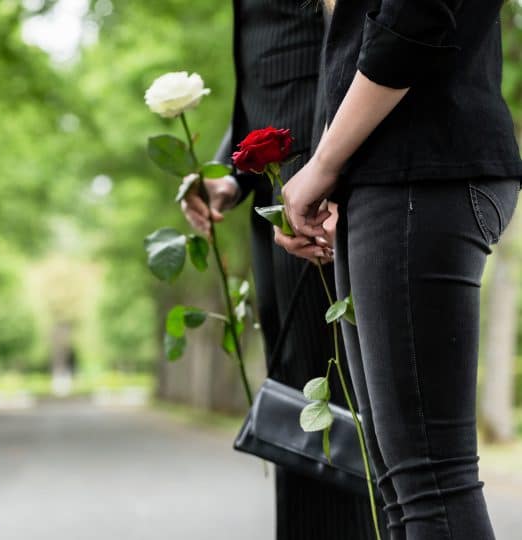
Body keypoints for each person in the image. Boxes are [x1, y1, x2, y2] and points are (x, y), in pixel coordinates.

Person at [276, 1, 522, 539]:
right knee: (399, 486)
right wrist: (333, 175)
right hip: (392, 174)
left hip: (418, 169)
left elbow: (416, 14)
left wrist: (324, 165)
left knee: (429, 483)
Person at [181, 1, 384, 538]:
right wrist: (232, 173)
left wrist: (333, 177)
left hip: (322, 197)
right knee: (304, 416)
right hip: (280, 195)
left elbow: (353, 45)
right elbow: (273, 75)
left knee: (339, 419)